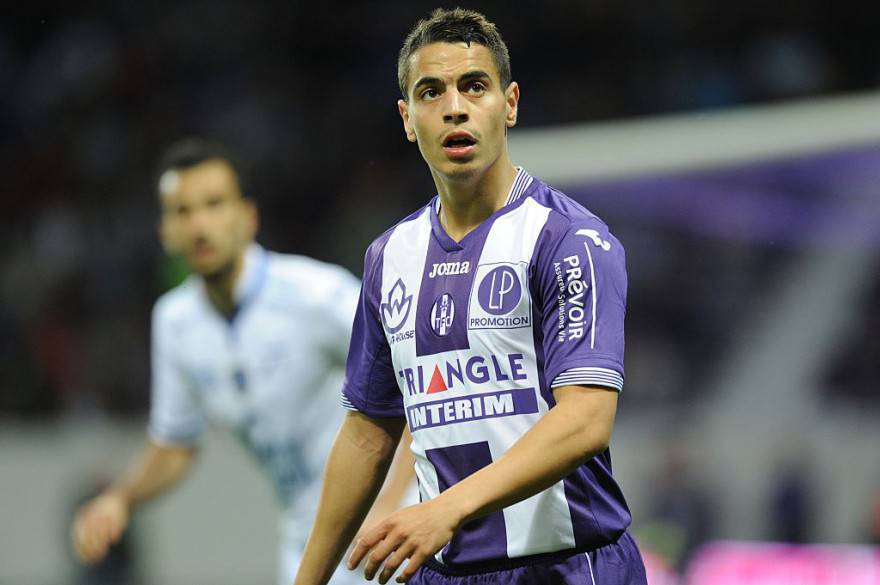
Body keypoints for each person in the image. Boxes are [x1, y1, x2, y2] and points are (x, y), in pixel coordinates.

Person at [295, 8, 647, 585]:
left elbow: (586, 420)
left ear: (509, 104)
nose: (454, 106)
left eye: (474, 86)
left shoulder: (568, 240)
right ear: (408, 120)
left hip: (568, 566)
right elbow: (368, 431)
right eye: (431, 92)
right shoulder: (389, 257)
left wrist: (446, 508)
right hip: (445, 571)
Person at [70, 138, 413, 585]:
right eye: (182, 211)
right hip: (305, 540)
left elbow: (413, 385)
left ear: (248, 217)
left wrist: (390, 503)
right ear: (165, 233)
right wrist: (121, 498)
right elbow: (175, 443)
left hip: (392, 524)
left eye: (214, 204)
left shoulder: (317, 295)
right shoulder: (175, 322)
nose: (199, 225)